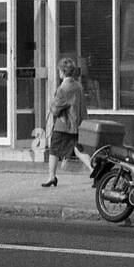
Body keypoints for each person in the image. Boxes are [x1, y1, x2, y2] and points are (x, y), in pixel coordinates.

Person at [42, 56, 89, 188]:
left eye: (59, 71)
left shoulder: (63, 88)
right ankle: (93, 170)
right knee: (78, 149)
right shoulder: (78, 86)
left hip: (63, 125)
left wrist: (51, 106)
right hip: (77, 124)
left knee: (54, 149)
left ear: (62, 72)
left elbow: (56, 109)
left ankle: (51, 177)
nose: (59, 73)